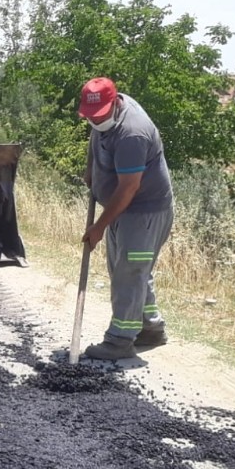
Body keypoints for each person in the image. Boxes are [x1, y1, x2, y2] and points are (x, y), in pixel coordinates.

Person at [76, 76, 174, 362]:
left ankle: (120, 340)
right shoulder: (104, 116)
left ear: (114, 103)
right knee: (131, 269)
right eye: (90, 115)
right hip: (125, 207)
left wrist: (98, 227)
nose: (95, 120)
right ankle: (150, 328)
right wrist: (91, 169)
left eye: (100, 115)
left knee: (129, 272)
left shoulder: (133, 133)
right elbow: (97, 137)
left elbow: (128, 188)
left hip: (144, 210)